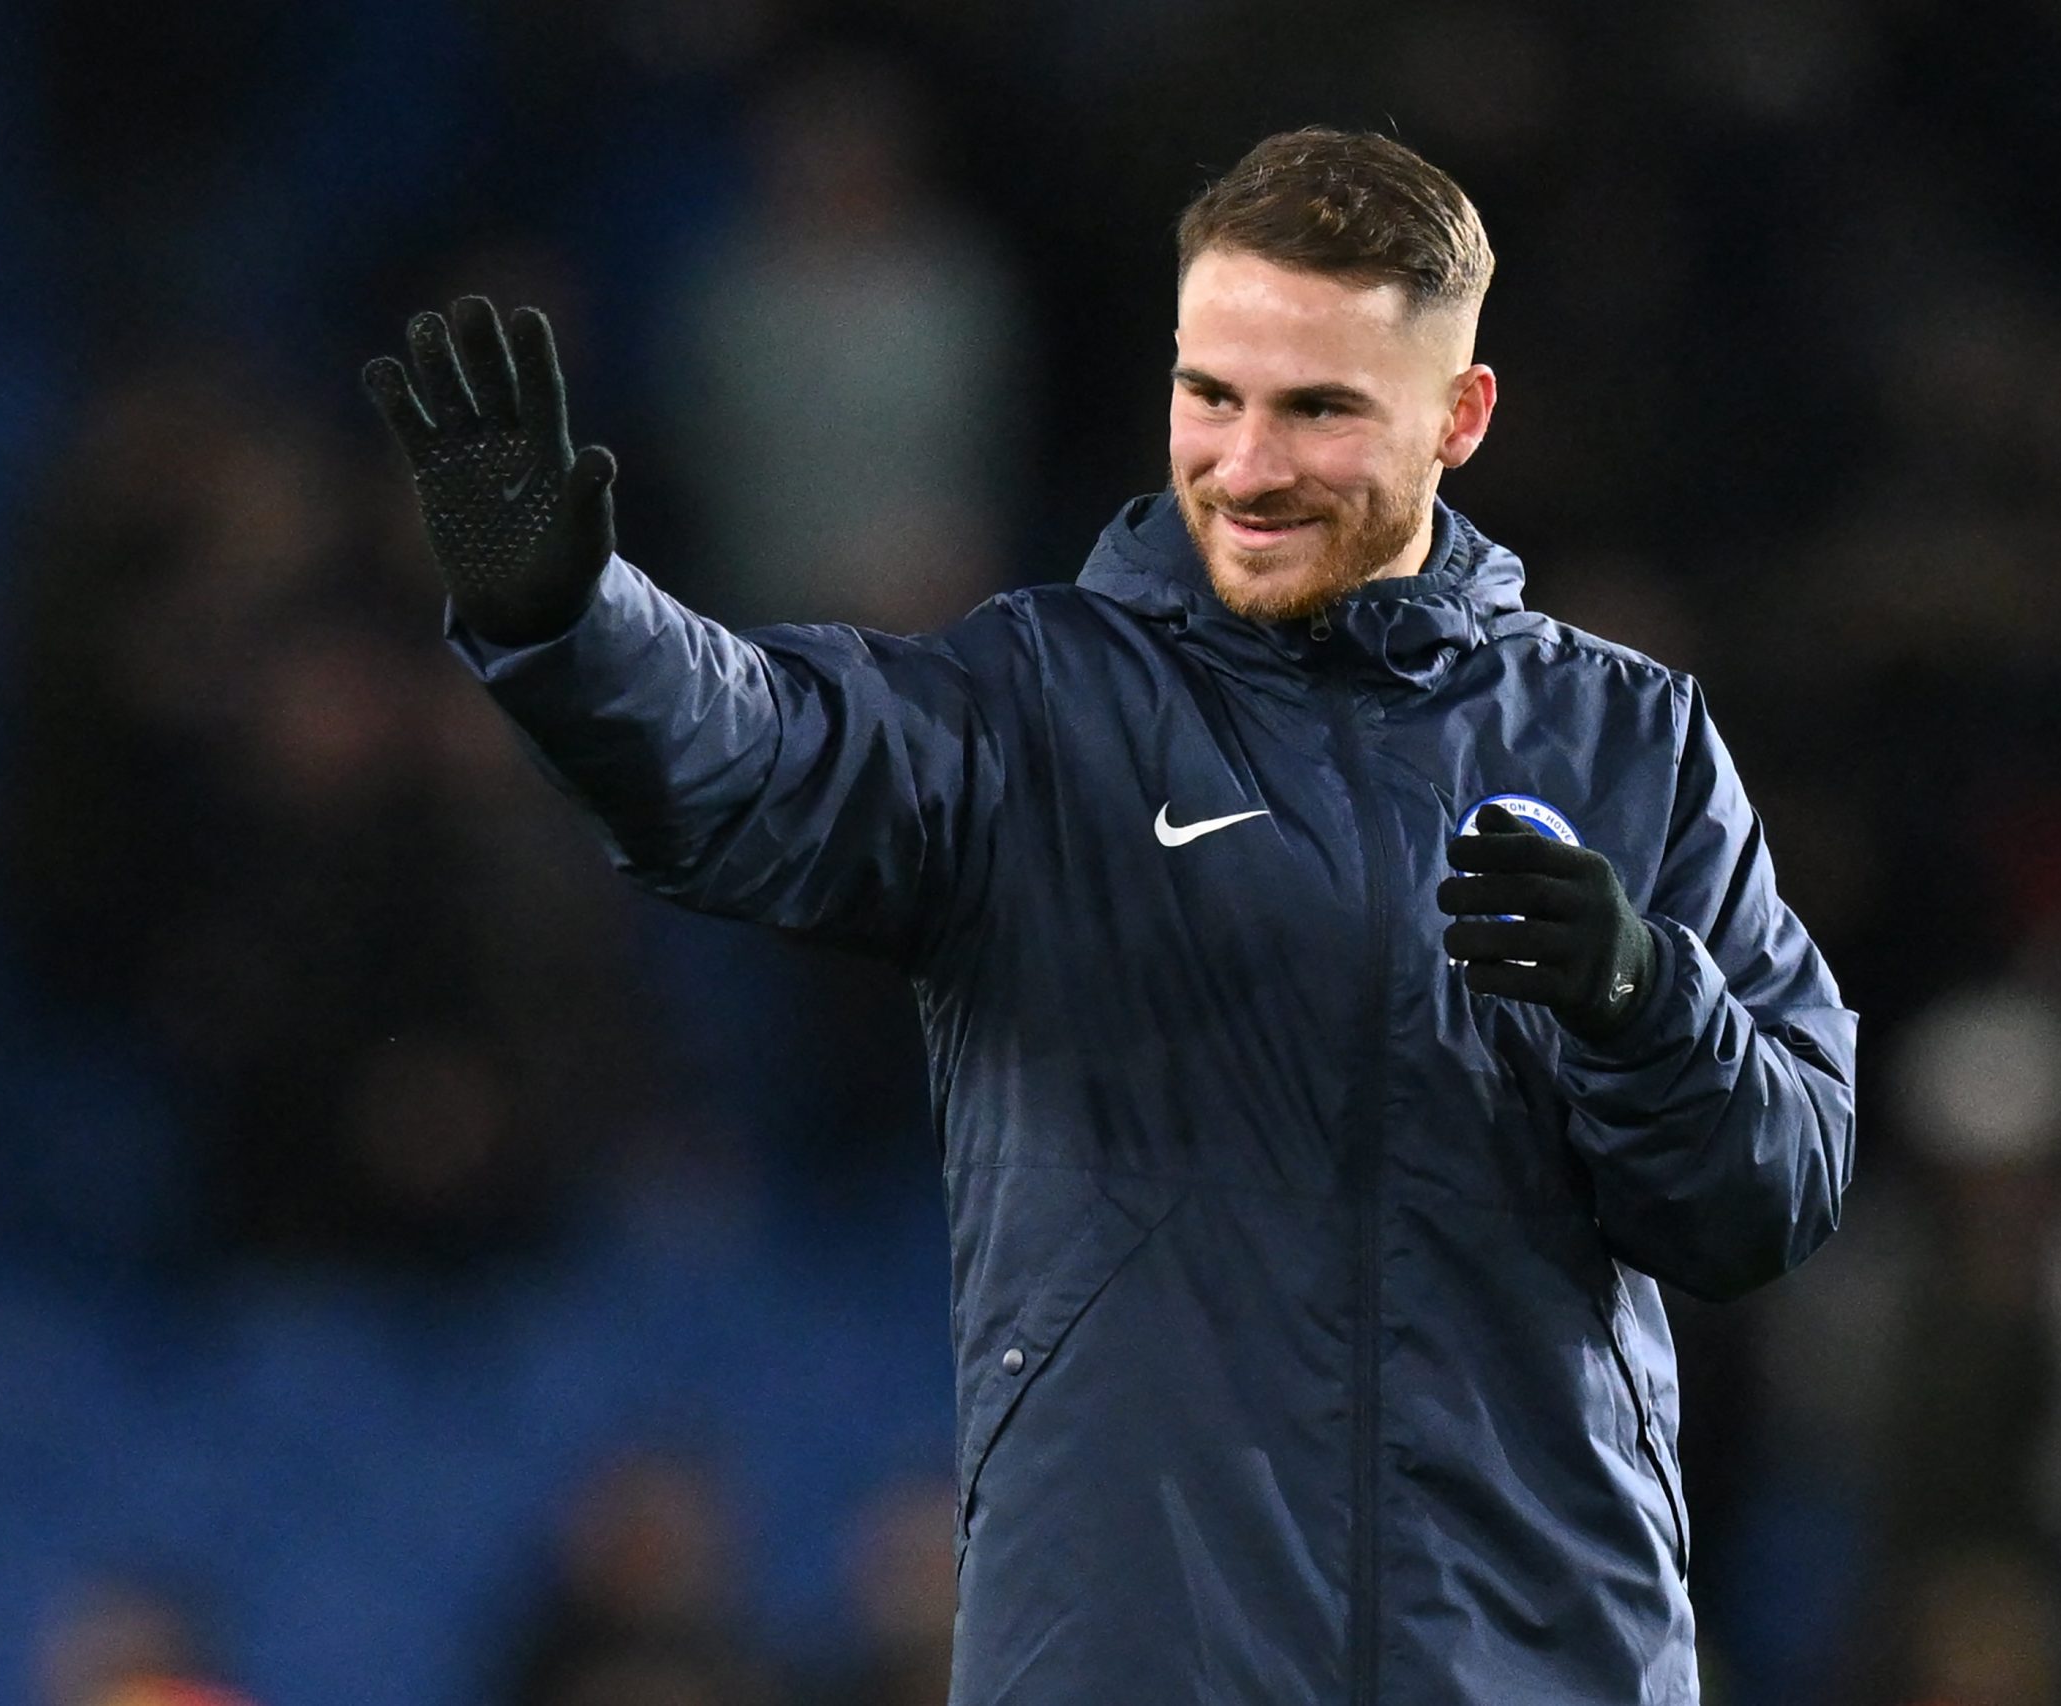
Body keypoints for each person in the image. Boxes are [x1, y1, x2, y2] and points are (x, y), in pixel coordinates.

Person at [363, 126, 1856, 1706]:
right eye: (1211, 394)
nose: (1249, 463)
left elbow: (1772, 1195)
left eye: (1319, 408)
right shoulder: (1033, 713)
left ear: (1458, 417)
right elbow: (754, 750)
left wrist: (1643, 998)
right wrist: (569, 623)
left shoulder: (1631, 742)